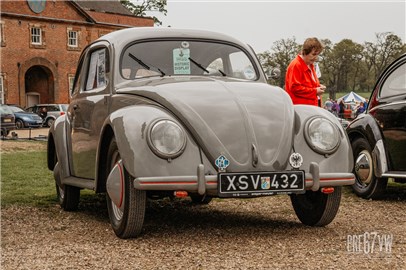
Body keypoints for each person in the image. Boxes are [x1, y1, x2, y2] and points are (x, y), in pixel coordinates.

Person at [285, 37, 326, 106]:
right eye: (313, 54)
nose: (316, 57)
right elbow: (295, 88)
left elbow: (307, 84)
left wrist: (318, 86)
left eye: (317, 54)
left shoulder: (310, 65)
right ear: (304, 52)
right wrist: (315, 91)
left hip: (311, 107)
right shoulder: (296, 65)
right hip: (302, 109)